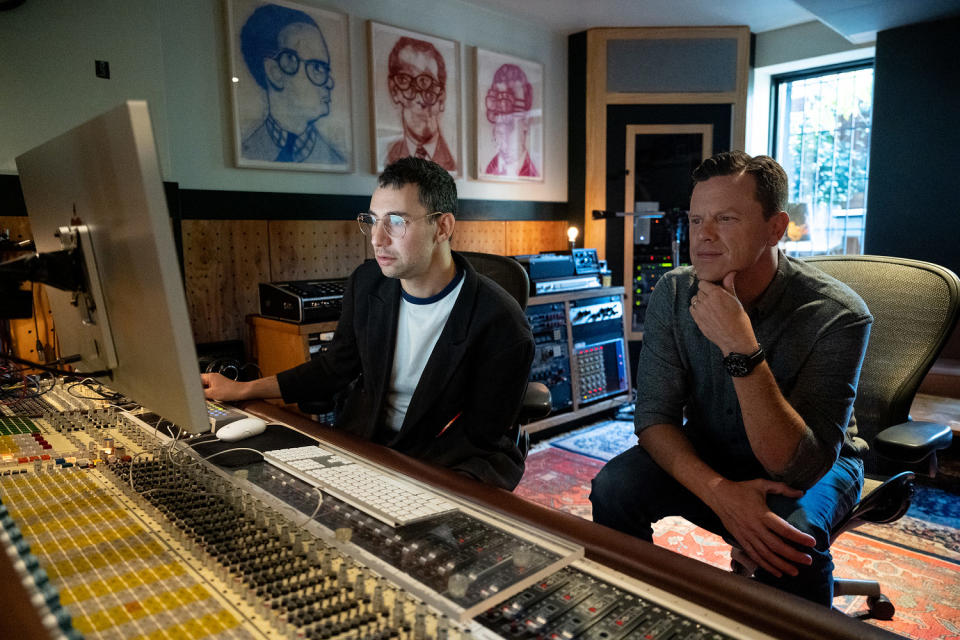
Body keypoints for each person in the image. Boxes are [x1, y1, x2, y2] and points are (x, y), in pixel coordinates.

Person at [589, 151, 873, 606]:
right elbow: (654, 419)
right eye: (697, 218)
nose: (702, 235)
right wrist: (722, 494)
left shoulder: (839, 315)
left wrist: (741, 348)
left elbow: (795, 464)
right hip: (713, 448)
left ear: (775, 228)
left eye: (725, 218)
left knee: (787, 540)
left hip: (817, 461)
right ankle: (639, 611)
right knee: (613, 489)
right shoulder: (675, 291)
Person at [202, 158, 533, 489]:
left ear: (443, 227)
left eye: (396, 222)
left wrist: (403, 482)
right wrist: (243, 389)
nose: (377, 238)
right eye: (373, 221)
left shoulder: (502, 323)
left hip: (449, 460)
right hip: (368, 441)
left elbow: (481, 435)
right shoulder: (366, 284)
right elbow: (334, 368)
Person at [239, 3, 346, 165]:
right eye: (317, 68)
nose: (330, 82)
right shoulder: (247, 152)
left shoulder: (336, 162)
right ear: (275, 72)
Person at [384, 37, 456, 171]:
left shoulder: (452, 162)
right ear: (394, 90)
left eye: (426, 83)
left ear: (441, 96)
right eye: (405, 81)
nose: (419, 97)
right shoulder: (388, 156)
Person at [484, 64, 539, 178]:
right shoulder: (489, 171)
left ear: (526, 124)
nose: (504, 144)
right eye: (499, 131)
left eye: (510, 128)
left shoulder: (533, 176)